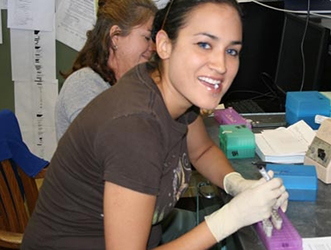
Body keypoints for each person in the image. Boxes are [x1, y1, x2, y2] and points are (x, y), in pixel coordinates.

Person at [21, 0, 289, 249]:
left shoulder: (167, 89)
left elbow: (202, 152)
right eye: (204, 44)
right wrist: (231, 216)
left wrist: (236, 183)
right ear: (163, 45)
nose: (221, 64)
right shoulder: (134, 128)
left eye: (232, 51)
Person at [55, 0, 158, 140]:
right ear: (115, 37)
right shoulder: (83, 84)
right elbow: (111, 148)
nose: (153, 47)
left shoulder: (130, 87)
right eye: (147, 37)